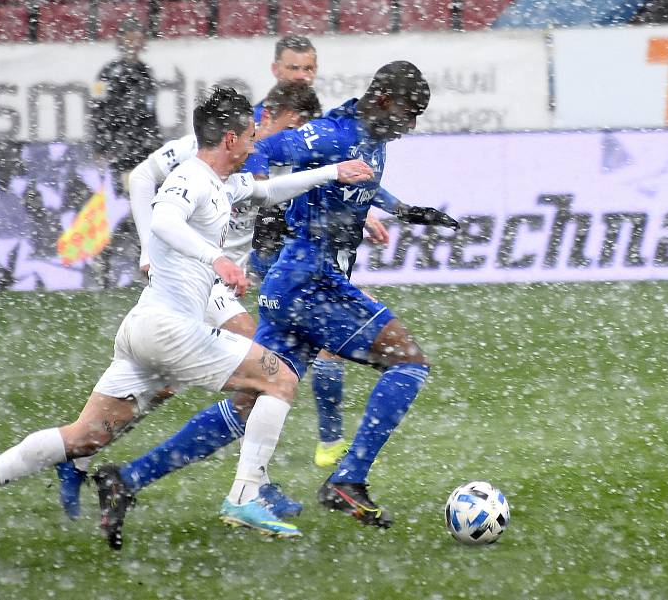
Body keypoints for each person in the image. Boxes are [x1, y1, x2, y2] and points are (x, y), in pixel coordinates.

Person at [0, 87, 374, 554]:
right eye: (249, 134)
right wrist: (218, 260)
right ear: (229, 139)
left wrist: (332, 172)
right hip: (170, 328)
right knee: (280, 379)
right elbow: (166, 220)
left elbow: (266, 190)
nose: (255, 143)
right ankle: (245, 494)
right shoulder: (189, 177)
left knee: (85, 436)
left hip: (144, 327)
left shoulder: (222, 181)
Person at [54, 81, 324, 522]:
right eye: (295, 125)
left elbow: (272, 206)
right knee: (270, 373)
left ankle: (87, 459)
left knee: (157, 388)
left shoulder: (270, 159)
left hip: (215, 280)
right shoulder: (207, 149)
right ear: (268, 115)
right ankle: (248, 489)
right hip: (199, 278)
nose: (299, 136)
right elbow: (142, 177)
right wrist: (147, 247)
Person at [250, 61, 460, 528]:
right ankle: (348, 475)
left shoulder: (370, 138)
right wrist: (259, 194)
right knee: (408, 361)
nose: (410, 127)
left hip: (302, 279)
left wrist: (402, 209)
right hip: (310, 278)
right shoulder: (330, 135)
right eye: (408, 115)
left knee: (255, 394)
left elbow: (360, 177)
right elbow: (261, 147)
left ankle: (131, 477)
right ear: (384, 100)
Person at [251, 35, 391, 469]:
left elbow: (324, 174)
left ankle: (263, 465)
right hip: (275, 247)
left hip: (303, 246)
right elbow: (256, 177)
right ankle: (325, 445)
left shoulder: (311, 118)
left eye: (308, 69)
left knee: (281, 361)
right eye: (294, 69)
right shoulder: (263, 121)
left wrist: (364, 209)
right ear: (275, 69)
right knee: (303, 352)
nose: (302, 76)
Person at [90, 17, 161, 195]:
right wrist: (100, 146)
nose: (134, 44)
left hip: (144, 146)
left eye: (138, 39)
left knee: (147, 194)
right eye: (130, 38)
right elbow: (97, 109)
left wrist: (156, 143)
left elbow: (151, 112)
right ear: (121, 40)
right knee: (127, 195)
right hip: (120, 147)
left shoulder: (146, 73)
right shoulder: (107, 72)